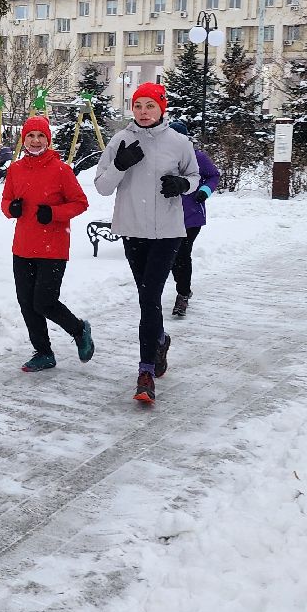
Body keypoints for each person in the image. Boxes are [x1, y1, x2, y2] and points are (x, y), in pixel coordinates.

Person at [94, 83, 200, 404]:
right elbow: (101, 186)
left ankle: (145, 372)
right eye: (138, 105)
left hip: (168, 232)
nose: (143, 112)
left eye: (150, 105)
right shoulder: (120, 140)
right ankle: (160, 340)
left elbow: (195, 177)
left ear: (161, 108)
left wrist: (182, 184)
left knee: (150, 296)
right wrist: (120, 165)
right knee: (147, 298)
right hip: (133, 230)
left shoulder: (179, 142)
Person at [1, 115, 93, 372]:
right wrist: (11, 209)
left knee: (44, 302)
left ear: (48, 140)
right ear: (24, 139)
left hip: (53, 247)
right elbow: (5, 201)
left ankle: (79, 330)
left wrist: (53, 213)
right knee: (26, 303)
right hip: (23, 247)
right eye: (31, 136)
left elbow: (80, 202)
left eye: (41, 136)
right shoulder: (15, 169)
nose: (35, 140)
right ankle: (43, 353)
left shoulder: (61, 170)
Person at [166, 121, 220, 317]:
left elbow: (213, 176)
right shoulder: (162, 158)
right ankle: (184, 288)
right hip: (167, 214)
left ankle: (182, 295)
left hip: (191, 215)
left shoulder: (197, 157)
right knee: (171, 256)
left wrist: (204, 191)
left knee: (181, 254)